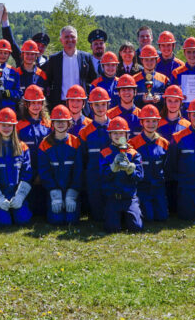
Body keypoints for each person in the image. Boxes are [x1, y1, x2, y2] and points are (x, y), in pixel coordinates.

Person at [0, 108, 34, 227]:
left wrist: (20, 196)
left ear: (15, 127)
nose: (6, 128)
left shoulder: (23, 147)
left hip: (16, 195)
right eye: (3, 125)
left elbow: (27, 174)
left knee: (23, 220)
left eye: (9, 125)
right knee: (3, 222)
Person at [38, 105, 83, 225]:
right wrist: (54, 191)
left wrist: (73, 192)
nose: (60, 124)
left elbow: (78, 170)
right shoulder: (45, 144)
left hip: (71, 191)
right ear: (52, 123)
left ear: (69, 123)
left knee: (71, 220)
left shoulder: (76, 142)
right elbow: (44, 171)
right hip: (54, 191)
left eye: (63, 121)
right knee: (56, 220)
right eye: (57, 121)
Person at [100, 117, 144, 232]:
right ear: (110, 135)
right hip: (113, 197)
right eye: (115, 133)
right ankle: (117, 217)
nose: (118, 136)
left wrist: (131, 170)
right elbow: (102, 175)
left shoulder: (134, 154)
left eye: (121, 133)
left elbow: (140, 176)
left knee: (136, 227)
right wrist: (112, 168)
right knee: (111, 228)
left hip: (129, 198)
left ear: (127, 135)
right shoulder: (105, 153)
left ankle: (130, 215)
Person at [129, 105, 169, 222]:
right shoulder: (133, 144)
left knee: (162, 217)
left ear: (158, 122)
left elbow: (167, 167)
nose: (151, 124)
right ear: (141, 122)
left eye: (154, 121)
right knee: (149, 217)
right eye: (147, 121)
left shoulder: (164, 143)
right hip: (142, 187)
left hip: (158, 187)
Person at [16, 85, 51, 216]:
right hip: (26, 173)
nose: (36, 106)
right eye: (33, 103)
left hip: (44, 171)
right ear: (26, 104)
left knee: (43, 210)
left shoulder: (48, 125)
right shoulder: (19, 126)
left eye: (39, 103)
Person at [78, 87, 112, 221]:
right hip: (93, 178)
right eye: (96, 104)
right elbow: (82, 158)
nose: (100, 108)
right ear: (90, 106)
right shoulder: (85, 131)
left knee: (112, 215)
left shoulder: (115, 127)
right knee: (98, 217)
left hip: (112, 177)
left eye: (103, 104)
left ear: (108, 104)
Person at [43, 25, 97, 108]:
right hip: (60, 104)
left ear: (77, 39)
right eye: (66, 37)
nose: (70, 40)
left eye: (72, 37)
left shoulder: (86, 57)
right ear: (61, 40)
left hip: (81, 104)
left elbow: (94, 81)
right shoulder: (54, 59)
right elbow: (47, 82)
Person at [157, 85, 190, 213]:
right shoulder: (157, 123)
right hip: (162, 174)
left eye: (176, 101)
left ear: (181, 102)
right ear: (165, 101)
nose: (173, 104)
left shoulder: (187, 125)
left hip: (180, 175)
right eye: (170, 100)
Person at [0, 39, 22, 127]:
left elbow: (19, 93)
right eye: (0, 52)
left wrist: (7, 93)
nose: (3, 55)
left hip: (9, 109)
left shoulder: (14, 71)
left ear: (9, 54)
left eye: (6, 53)